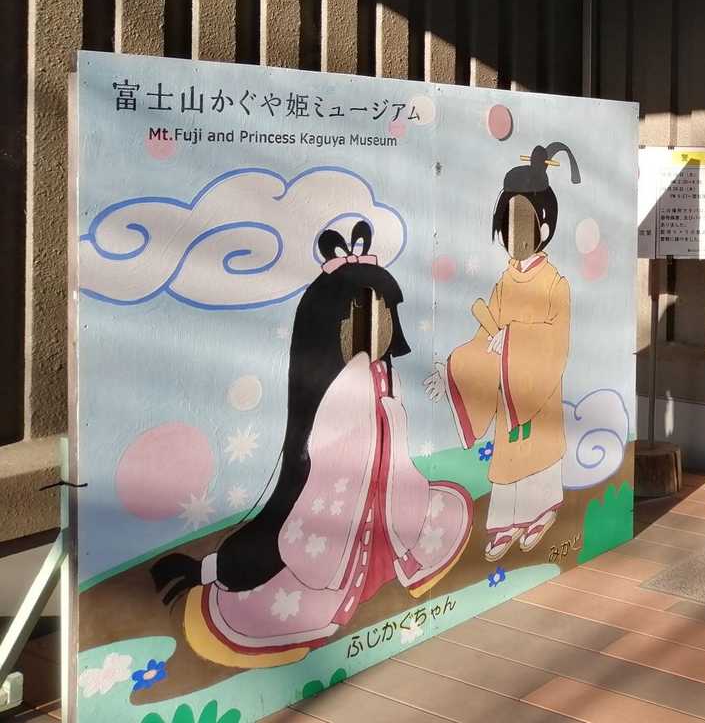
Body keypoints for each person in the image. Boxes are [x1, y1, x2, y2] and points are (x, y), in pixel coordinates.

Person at [150, 221, 472, 669]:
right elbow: (332, 465)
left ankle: (384, 557)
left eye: (382, 311)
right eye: (362, 314)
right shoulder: (339, 387)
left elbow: (392, 445)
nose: (377, 326)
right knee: (312, 577)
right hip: (338, 517)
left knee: (430, 515)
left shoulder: (382, 373)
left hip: (386, 504)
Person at [429, 142, 578, 562]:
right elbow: (485, 333)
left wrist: (513, 339)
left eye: (524, 223)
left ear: (543, 225)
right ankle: (506, 522)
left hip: (536, 390)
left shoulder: (555, 284)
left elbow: (556, 341)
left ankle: (541, 511)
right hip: (506, 388)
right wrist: (456, 369)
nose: (516, 235)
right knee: (508, 458)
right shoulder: (503, 282)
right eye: (508, 224)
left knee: (539, 450)